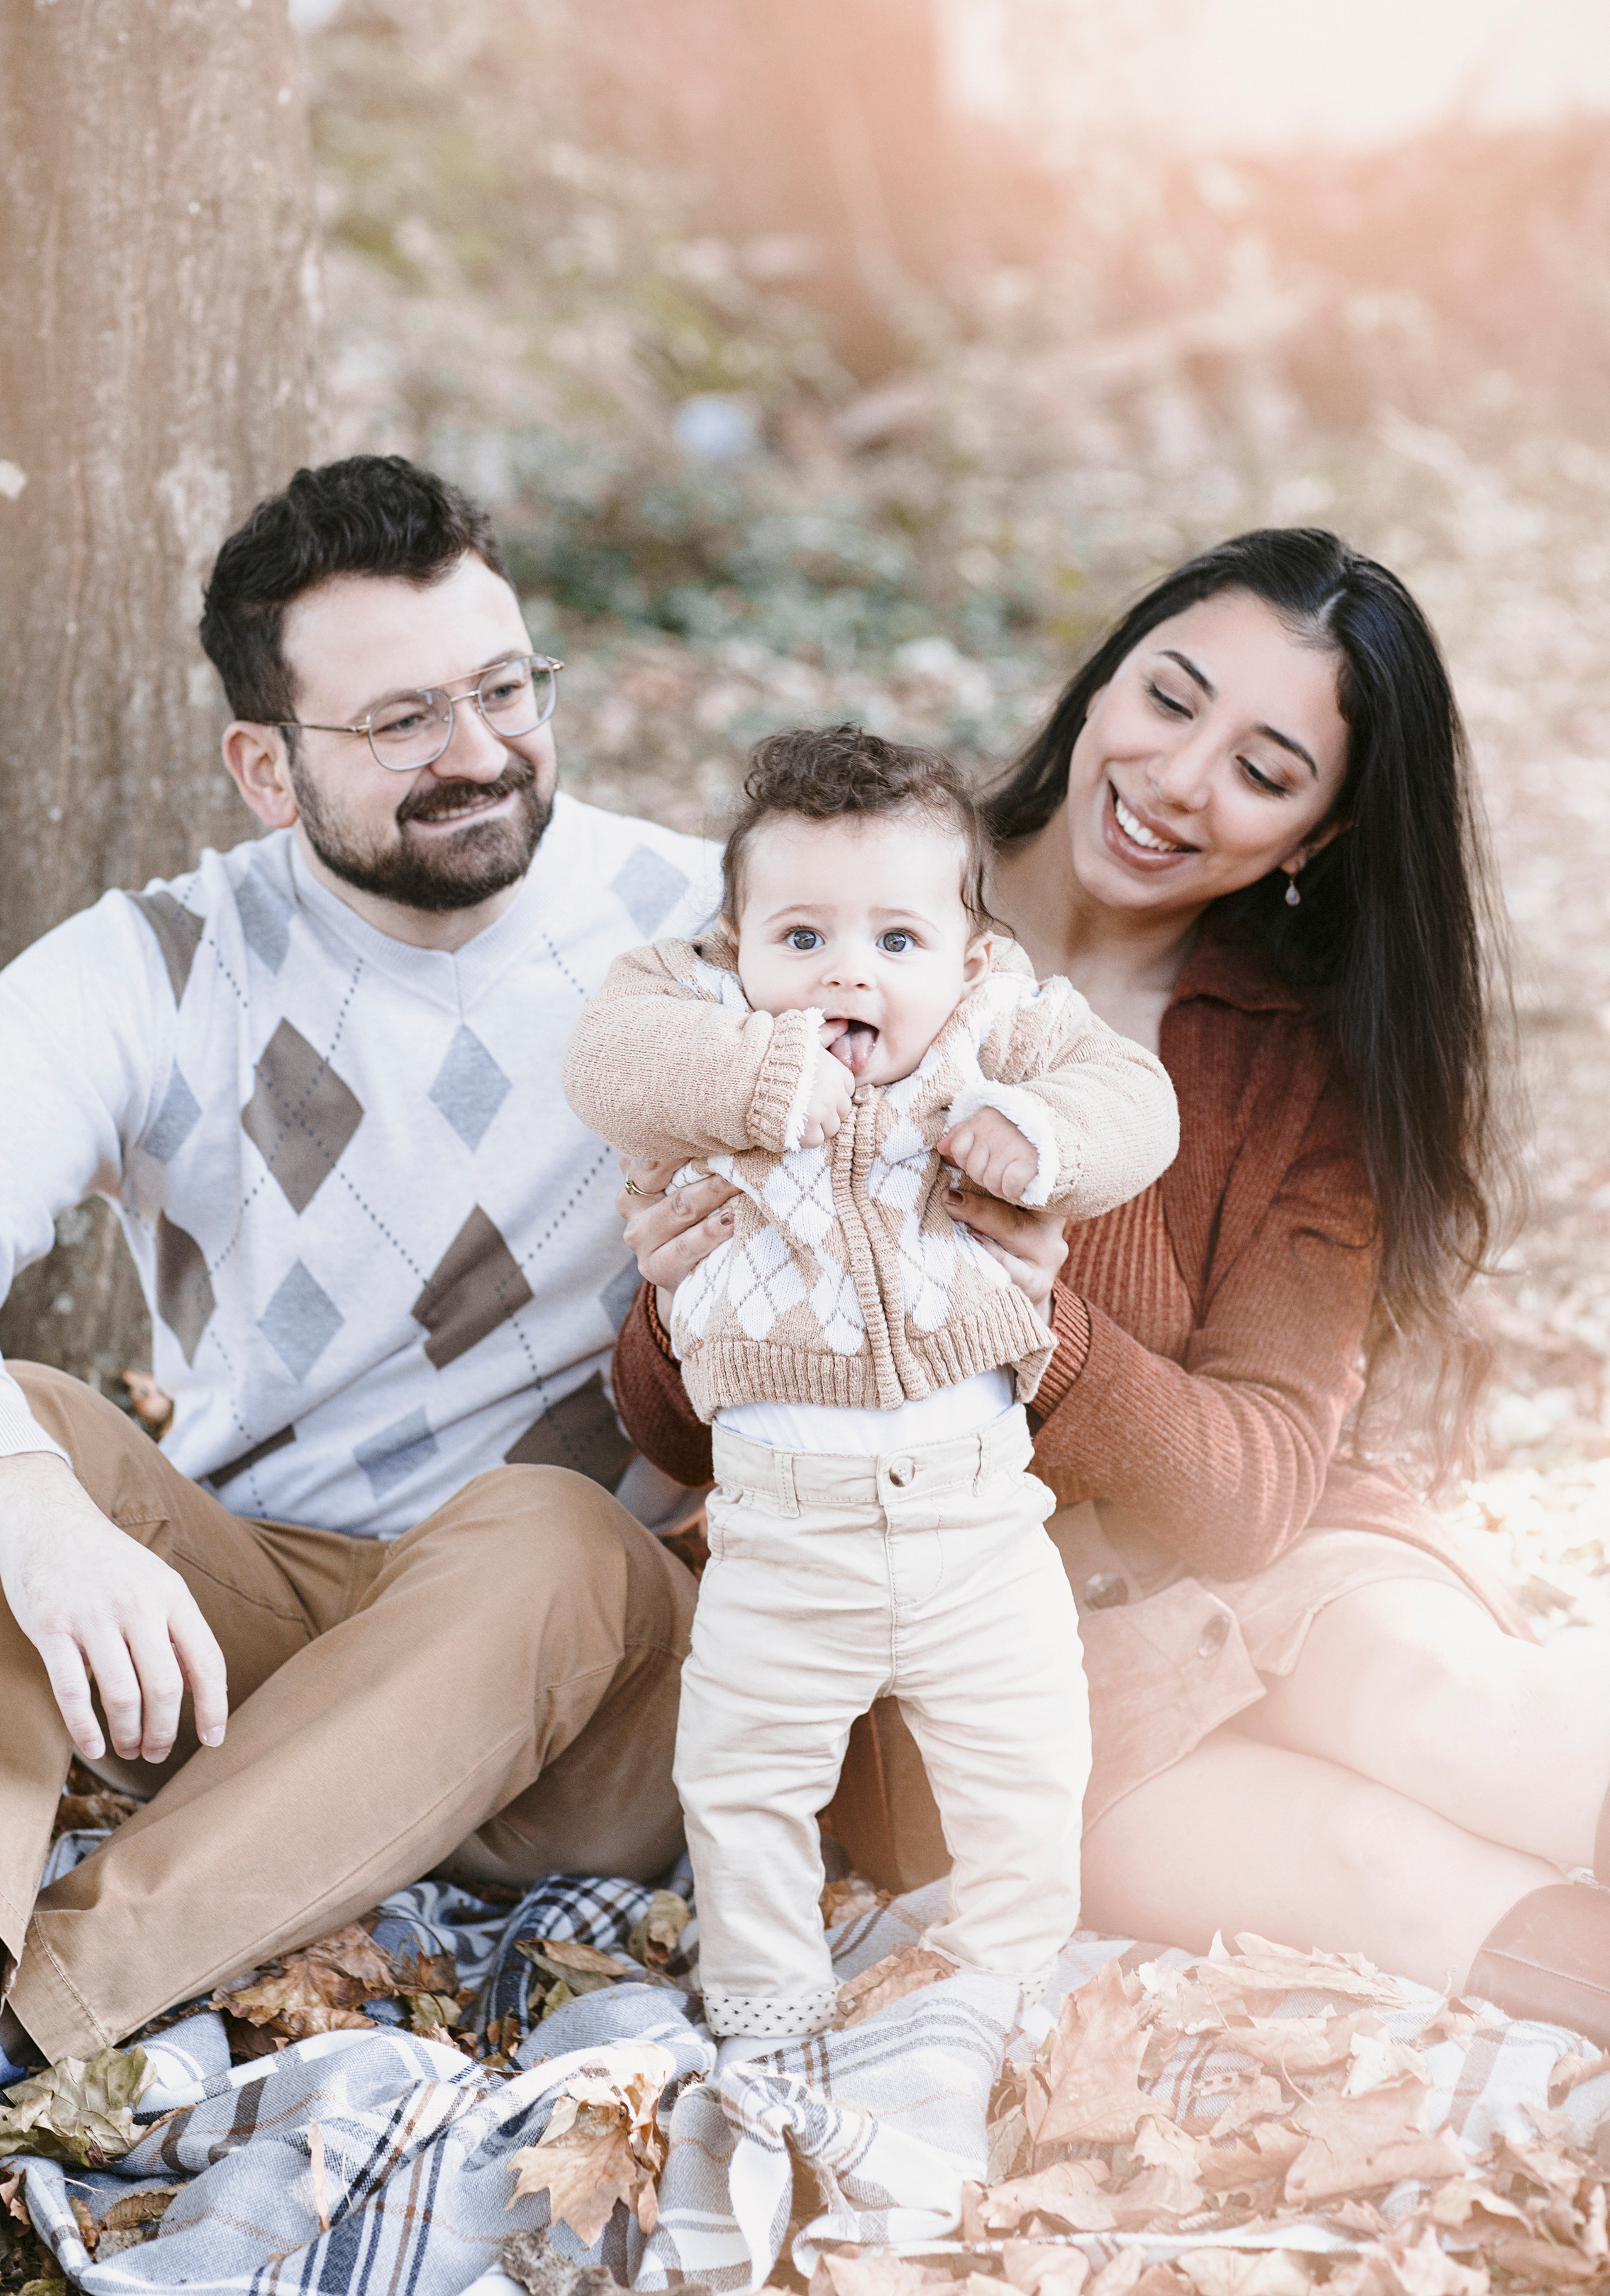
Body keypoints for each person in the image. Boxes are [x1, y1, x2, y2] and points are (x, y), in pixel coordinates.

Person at [609, 525, 1610, 2046]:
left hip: (1280, 1559)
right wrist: (683, 1306)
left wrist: (1036, 1325)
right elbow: (680, 1425)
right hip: (975, 1645)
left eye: (1264, 770)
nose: (1174, 777)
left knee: (1447, 1708)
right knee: (1376, 1871)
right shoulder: (855, 911)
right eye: (1168, 696)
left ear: (1314, 840)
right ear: (1100, 683)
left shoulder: (1292, 1061)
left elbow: (1260, 1487)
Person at [0, 454, 721, 2072]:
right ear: (267, 766)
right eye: (402, 721)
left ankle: (42, 2014)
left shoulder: (706, 923)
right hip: (256, 1618)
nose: (480, 753)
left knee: (547, 1529)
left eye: (503, 688)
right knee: (20, 1429)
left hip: (581, 1695)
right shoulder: (152, 965)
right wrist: (34, 1507)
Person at [563, 726, 1177, 2048]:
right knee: (741, 1775)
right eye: (800, 937)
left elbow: (1135, 1096)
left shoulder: (995, 1027)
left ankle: (998, 1980)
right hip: (780, 1528)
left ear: (962, 958)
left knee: (1026, 1764)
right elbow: (602, 1062)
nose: (847, 969)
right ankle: (767, 1998)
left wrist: (1047, 1138)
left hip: (974, 1515)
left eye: (894, 941)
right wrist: (756, 1073)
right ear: (731, 946)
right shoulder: (688, 1016)